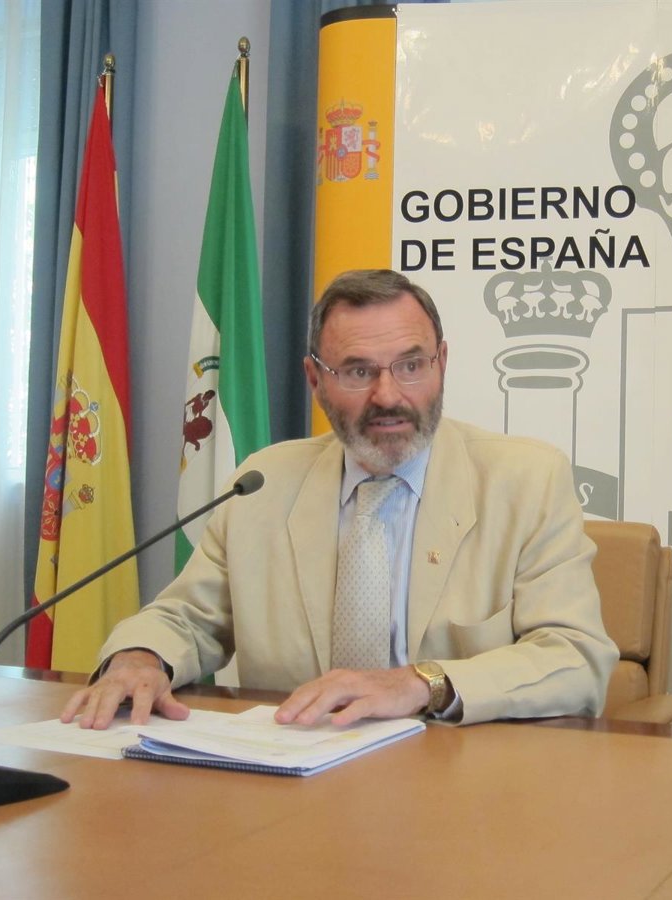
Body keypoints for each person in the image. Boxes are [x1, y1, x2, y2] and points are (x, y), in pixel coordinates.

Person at [62, 269, 617, 729]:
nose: (388, 395)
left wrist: (420, 684)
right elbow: (186, 617)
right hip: (295, 773)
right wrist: (140, 657)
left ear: (442, 364)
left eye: (411, 365)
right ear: (315, 379)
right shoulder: (263, 483)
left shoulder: (525, 481)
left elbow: (576, 659)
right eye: (357, 371)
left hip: (460, 778)